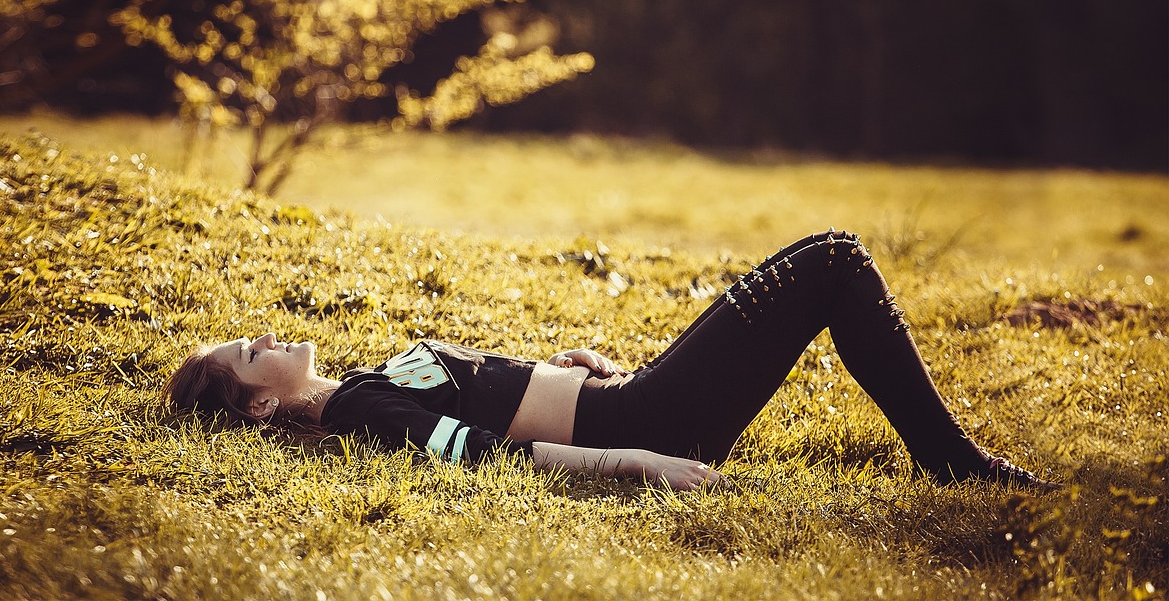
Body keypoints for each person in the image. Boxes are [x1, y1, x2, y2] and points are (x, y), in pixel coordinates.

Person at [164, 230, 1061, 492]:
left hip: (627, 394)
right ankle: (951, 459)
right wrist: (641, 462)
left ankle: (947, 455)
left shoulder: (364, 387)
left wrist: (554, 370)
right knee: (831, 261)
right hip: (648, 421)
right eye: (250, 354)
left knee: (832, 260)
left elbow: (486, 405)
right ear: (258, 407)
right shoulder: (360, 412)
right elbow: (492, 457)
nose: (265, 338)